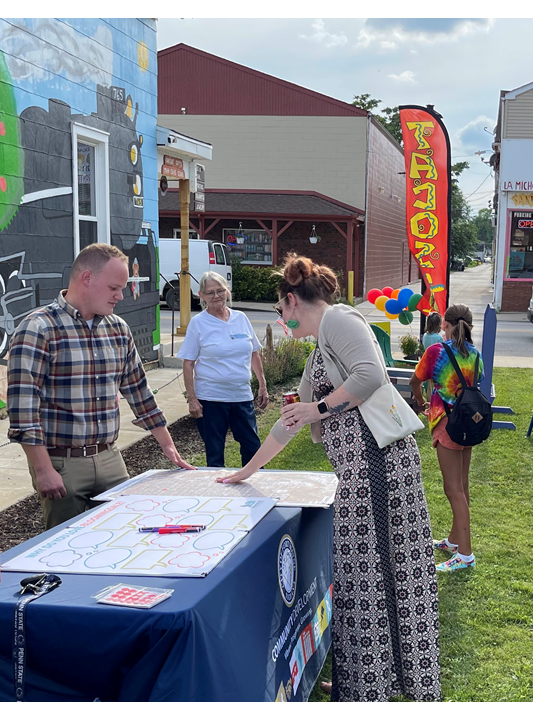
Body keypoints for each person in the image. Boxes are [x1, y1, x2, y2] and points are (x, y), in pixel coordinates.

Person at [219, 255, 441, 701]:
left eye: (280, 311)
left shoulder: (339, 320)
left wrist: (317, 408)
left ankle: (394, 681)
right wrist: (245, 471)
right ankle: (366, 682)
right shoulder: (320, 349)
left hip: (379, 469)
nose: (281, 320)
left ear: (292, 300)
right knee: (360, 578)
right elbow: (289, 422)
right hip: (360, 472)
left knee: (384, 573)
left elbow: (371, 376)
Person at [7, 243, 194, 531]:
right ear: (86, 278)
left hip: (110, 457)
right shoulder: (38, 329)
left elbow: (139, 391)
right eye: (114, 288)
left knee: (121, 537)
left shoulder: (118, 328)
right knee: (65, 550)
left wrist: (168, 446)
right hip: (61, 462)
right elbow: (23, 410)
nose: (120, 296)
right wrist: (43, 470)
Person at [410, 304, 484, 573]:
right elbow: (478, 380)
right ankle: (455, 540)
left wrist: (421, 402)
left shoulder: (436, 352)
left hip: (446, 423)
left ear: (445, 325)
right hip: (469, 424)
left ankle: (465, 554)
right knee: (461, 487)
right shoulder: (475, 355)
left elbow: (415, 381)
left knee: (452, 490)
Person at [179, 271, 269, 468]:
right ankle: (216, 496)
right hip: (211, 399)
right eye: (210, 293)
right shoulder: (198, 323)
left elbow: (254, 353)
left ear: (227, 291)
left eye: (220, 290)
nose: (216, 296)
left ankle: (257, 491)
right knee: (215, 452)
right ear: (201, 295)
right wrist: (192, 399)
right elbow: (188, 362)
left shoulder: (241, 318)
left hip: (241, 396)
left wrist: (262, 385)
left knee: (252, 447)